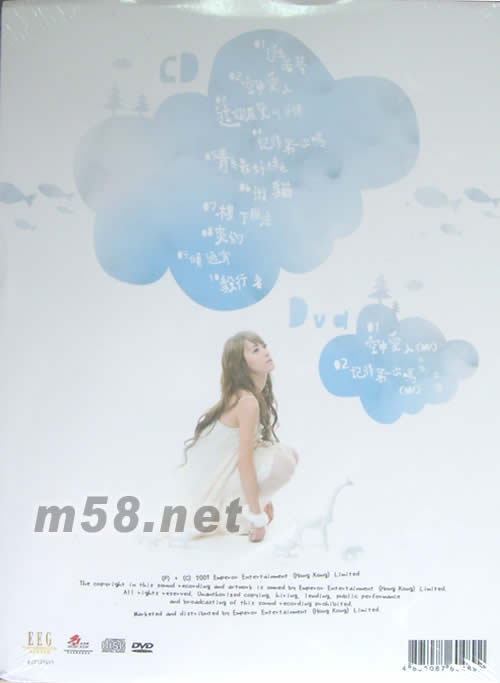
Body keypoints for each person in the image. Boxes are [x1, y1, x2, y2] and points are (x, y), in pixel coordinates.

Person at [176, 330, 299, 543]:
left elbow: (253, 454)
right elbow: (245, 461)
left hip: (228, 477)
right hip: (220, 484)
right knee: (283, 461)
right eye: (255, 350)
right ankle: (239, 514)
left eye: (264, 346)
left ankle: (241, 508)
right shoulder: (247, 402)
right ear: (241, 365)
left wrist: (265, 499)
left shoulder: (248, 397)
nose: (265, 352)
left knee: (287, 455)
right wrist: (258, 517)